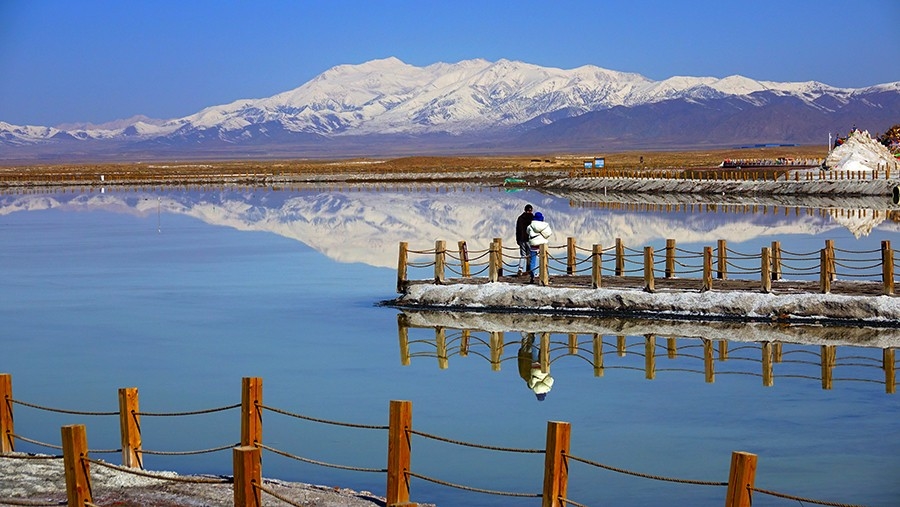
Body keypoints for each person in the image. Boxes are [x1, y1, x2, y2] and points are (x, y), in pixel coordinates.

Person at [517, 333, 554, 401]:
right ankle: (533, 338)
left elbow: (550, 378)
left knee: (543, 353)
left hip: (543, 370)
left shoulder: (547, 387)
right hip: (534, 369)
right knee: (534, 352)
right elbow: (532, 380)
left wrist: (544, 377)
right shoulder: (532, 386)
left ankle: (544, 337)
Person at [525, 211, 552, 283]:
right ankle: (545, 275)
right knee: (545, 260)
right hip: (543, 245)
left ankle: (532, 276)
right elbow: (549, 233)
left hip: (534, 244)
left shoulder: (531, 225)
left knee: (532, 261)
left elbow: (527, 231)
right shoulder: (545, 225)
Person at [515, 204, 534, 276]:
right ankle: (529, 269)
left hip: (521, 239)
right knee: (530, 255)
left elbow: (517, 230)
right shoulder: (532, 218)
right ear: (531, 210)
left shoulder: (520, 218)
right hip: (529, 239)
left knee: (523, 255)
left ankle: (520, 269)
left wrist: (518, 239)